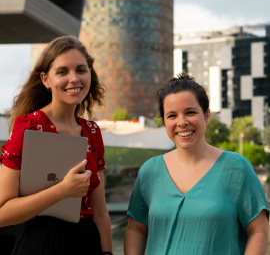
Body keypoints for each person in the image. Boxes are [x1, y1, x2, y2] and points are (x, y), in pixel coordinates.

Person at [124, 72, 269, 255]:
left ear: (206, 116)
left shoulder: (237, 169)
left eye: (190, 112)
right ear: (164, 122)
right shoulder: (149, 172)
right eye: (172, 116)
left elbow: (259, 230)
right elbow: (136, 229)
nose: (182, 122)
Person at [0, 36, 113, 255]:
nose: (74, 79)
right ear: (46, 80)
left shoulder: (92, 131)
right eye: (62, 72)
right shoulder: (28, 127)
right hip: (42, 244)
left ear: (90, 74)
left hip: (87, 243)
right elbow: (2, 213)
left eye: (81, 70)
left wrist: (107, 252)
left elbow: (100, 212)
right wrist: (63, 190)